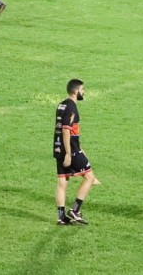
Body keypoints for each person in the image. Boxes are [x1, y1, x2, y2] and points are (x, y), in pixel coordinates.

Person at [53, 79, 98, 225]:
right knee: (89, 177)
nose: (84, 92)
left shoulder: (62, 105)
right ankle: (75, 210)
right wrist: (69, 153)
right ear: (75, 91)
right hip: (70, 151)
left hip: (58, 148)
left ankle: (61, 217)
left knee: (62, 182)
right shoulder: (72, 108)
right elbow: (66, 130)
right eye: (82, 89)